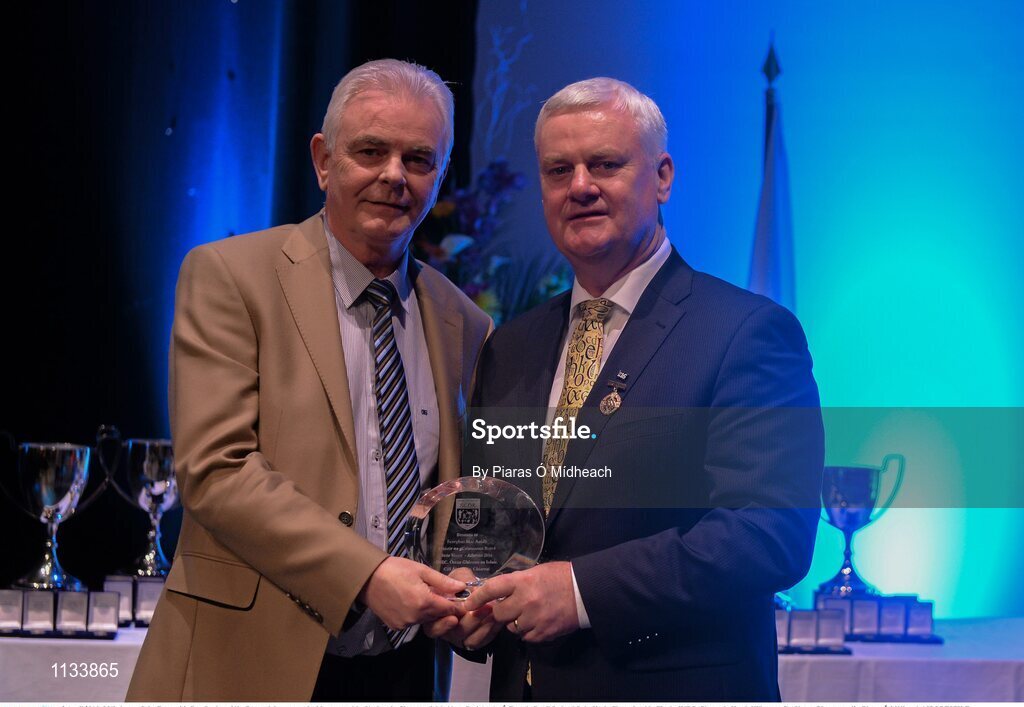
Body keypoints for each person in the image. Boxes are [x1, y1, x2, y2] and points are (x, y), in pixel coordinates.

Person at [430, 77, 823, 701]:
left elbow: (769, 533)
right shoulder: (510, 347)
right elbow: (495, 520)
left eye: (605, 164)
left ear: (662, 177)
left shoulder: (746, 332)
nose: (580, 186)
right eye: (559, 170)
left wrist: (581, 592)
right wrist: (469, 593)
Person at [126, 59, 492, 702]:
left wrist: (470, 581)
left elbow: (460, 495)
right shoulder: (231, 277)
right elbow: (217, 470)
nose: (394, 175)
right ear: (323, 161)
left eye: (418, 159)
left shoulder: (465, 321)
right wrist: (366, 575)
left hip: (404, 675)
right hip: (250, 663)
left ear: (439, 177)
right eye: (370, 151)